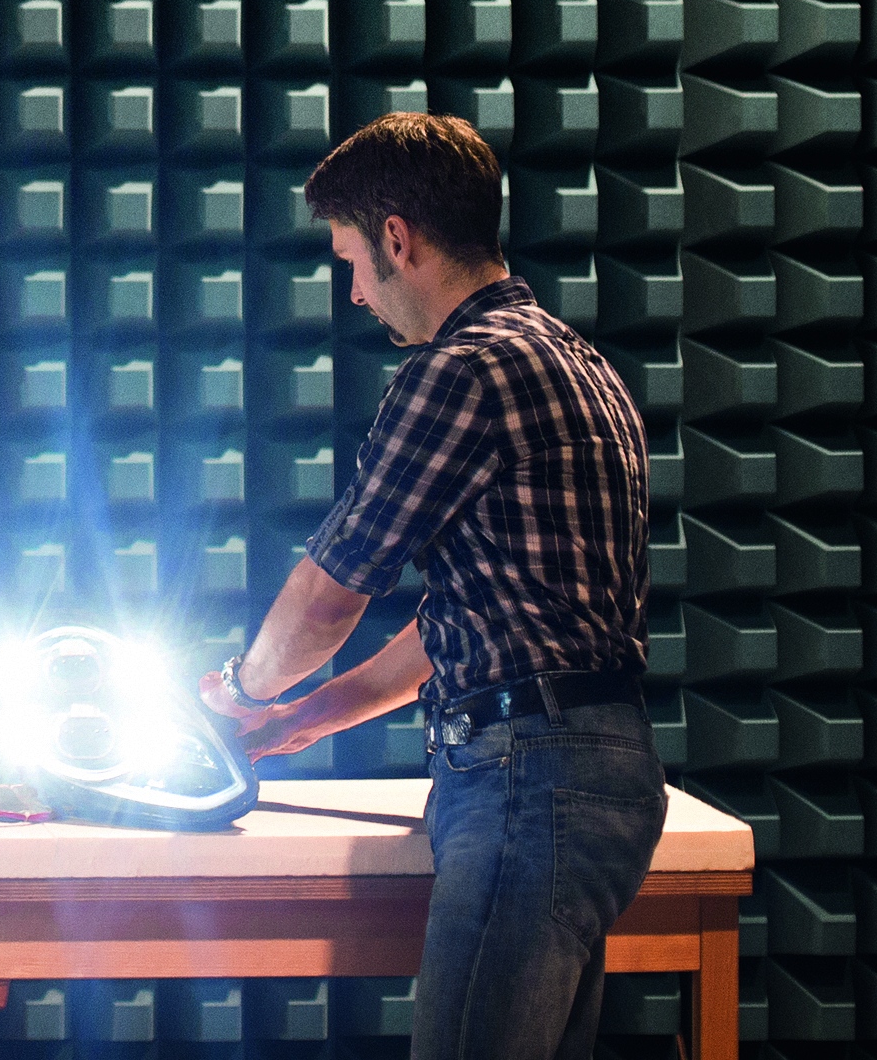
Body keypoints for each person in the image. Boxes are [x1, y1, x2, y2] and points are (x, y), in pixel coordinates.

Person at [194, 114, 659, 1060]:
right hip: (594, 767)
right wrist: (309, 716)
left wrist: (241, 690)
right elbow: (486, 620)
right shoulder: (579, 364)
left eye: (352, 261)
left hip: (527, 776)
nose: (356, 293)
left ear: (397, 238)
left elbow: (334, 590)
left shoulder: (463, 371)